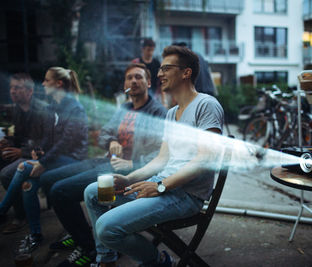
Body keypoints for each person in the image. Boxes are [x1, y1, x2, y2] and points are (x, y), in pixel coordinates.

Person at [84, 45, 224, 267]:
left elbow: (206, 159)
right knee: (93, 193)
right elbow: (161, 159)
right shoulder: (170, 114)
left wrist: (161, 186)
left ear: (186, 72)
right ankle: (106, 259)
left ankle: (156, 260)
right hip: (160, 185)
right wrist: (130, 179)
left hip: (185, 195)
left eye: (166, 68)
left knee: (106, 228)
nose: (159, 74)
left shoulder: (206, 105)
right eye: (160, 69)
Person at [47, 63, 167, 267]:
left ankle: (90, 248)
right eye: (129, 77)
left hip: (130, 171)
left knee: (60, 192)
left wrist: (132, 162)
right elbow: (104, 133)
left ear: (148, 82)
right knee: (50, 179)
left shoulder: (158, 112)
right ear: (125, 85)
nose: (134, 81)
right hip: (105, 161)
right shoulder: (124, 108)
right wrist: (111, 141)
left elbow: (161, 155)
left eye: (139, 77)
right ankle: (83, 235)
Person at [0, 67, 89, 254]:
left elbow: (66, 142)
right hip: (57, 158)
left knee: (24, 167)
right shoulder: (53, 107)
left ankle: (2, 210)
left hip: (74, 160)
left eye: (47, 80)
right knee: (29, 184)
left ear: (58, 84)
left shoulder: (75, 108)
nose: (43, 84)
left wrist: (43, 162)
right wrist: (38, 152)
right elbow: (48, 139)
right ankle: (35, 234)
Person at [0, 73, 49, 234]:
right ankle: (19, 208)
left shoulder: (42, 110)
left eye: (17, 88)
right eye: (11, 87)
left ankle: (21, 216)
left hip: (38, 156)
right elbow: (21, 137)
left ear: (29, 92)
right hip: (24, 152)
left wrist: (21, 151)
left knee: (7, 174)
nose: (12, 91)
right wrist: (8, 141)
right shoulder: (18, 110)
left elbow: (46, 142)